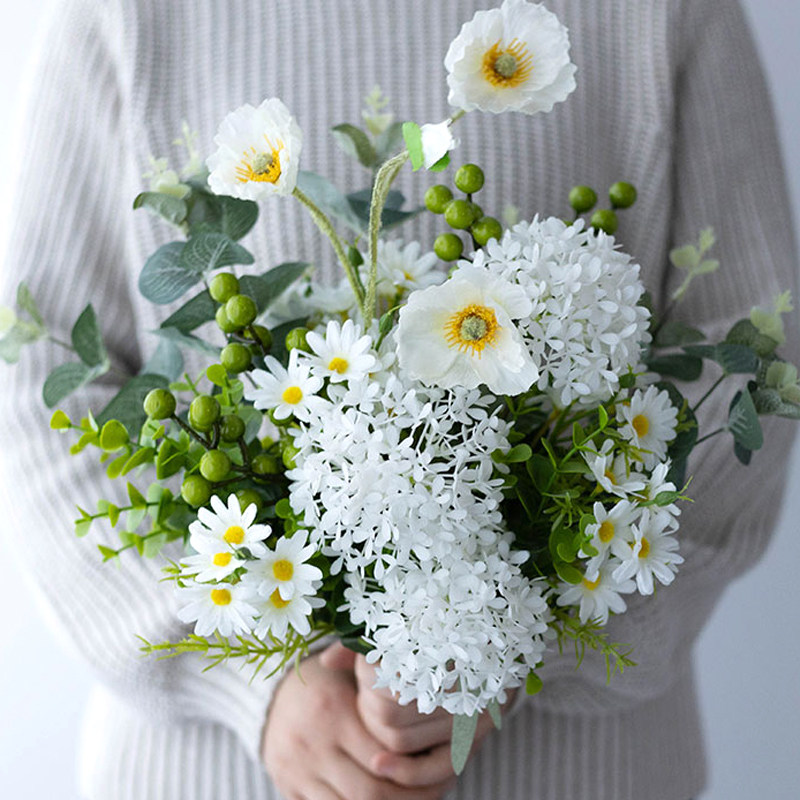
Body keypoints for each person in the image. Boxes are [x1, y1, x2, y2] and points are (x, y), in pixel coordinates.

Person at [1, 0, 796, 798]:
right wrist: (256, 684)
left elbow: (760, 351)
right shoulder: (124, 13)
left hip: (578, 771)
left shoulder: (660, 13)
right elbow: (32, 375)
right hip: (208, 773)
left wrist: (501, 648)